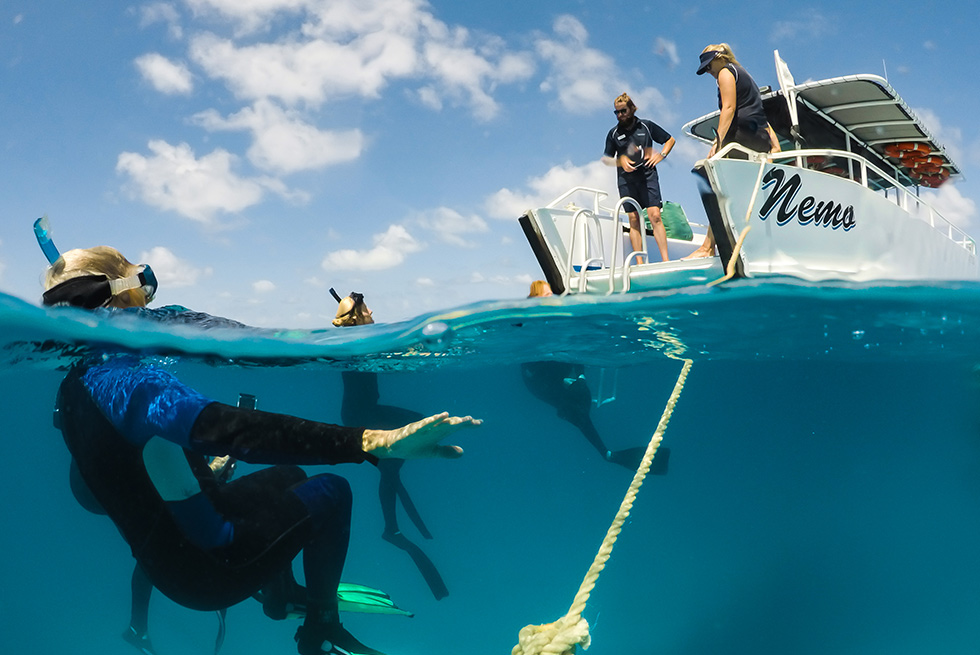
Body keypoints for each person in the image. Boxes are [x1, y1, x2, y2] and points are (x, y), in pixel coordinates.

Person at [41, 242, 480, 655]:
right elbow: (227, 429)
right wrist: (371, 441)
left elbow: (108, 479)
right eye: (142, 286)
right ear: (117, 297)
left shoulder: (72, 390)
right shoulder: (123, 379)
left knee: (290, 476)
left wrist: (194, 478)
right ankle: (321, 630)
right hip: (212, 564)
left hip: (167, 558)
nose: (149, 303)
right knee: (332, 491)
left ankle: (280, 593)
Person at [330, 289, 449, 601]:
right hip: (361, 416)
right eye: (367, 309)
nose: (372, 312)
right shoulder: (360, 343)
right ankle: (391, 518)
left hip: (362, 413)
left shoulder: (363, 341)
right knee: (417, 428)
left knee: (411, 434)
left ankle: (391, 509)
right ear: (358, 316)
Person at [520, 281, 669, 474]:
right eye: (547, 294)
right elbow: (536, 368)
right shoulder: (530, 321)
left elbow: (573, 353)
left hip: (556, 378)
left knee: (580, 408)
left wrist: (578, 375)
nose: (552, 297)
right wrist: (568, 381)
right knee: (579, 411)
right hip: (544, 381)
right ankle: (608, 454)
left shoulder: (559, 321)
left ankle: (608, 454)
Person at [685, 43, 782, 260]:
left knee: (719, 191)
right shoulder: (746, 75)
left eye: (709, 67)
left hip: (739, 137)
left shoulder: (726, 72)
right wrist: (774, 145)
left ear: (719, 58)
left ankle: (708, 247)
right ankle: (745, 245)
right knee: (742, 193)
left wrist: (717, 143)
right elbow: (760, 114)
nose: (709, 72)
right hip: (757, 139)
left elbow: (728, 108)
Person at [602, 93, 676, 264]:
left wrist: (662, 154)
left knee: (654, 215)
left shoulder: (647, 125)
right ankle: (640, 264)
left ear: (632, 109)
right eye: (617, 112)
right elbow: (606, 159)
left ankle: (665, 260)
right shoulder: (613, 133)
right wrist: (620, 161)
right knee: (633, 218)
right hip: (626, 180)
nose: (620, 115)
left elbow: (670, 140)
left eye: (623, 111)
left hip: (647, 176)